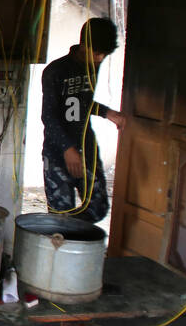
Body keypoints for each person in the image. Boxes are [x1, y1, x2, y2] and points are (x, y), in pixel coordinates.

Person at [40, 17, 126, 222]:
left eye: (104, 55)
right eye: (96, 53)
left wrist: (107, 113)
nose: (99, 58)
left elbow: (81, 102)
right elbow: (49, 116)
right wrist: (67, 149)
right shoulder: (55, 71)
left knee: (98, 207)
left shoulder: (93, 65)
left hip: (86, 146)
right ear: (83, 46)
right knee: (60, 216)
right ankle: (65, 241)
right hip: (57, 151)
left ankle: (76, 238)